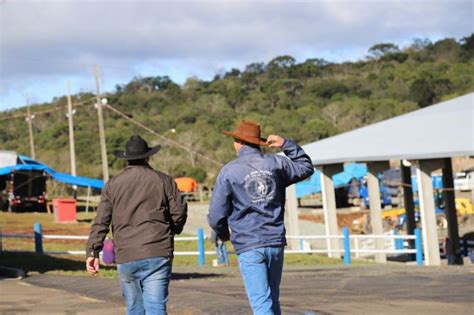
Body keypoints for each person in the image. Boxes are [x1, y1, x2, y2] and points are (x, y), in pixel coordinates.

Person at [207, 120, 314, 314]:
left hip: (248, 243)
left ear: (238, 142)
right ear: (258, 142)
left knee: (261, 304)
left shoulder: (229, 171)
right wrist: (285, 144)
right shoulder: (276, 163)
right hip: (274, 241)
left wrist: (223, 234)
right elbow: (305, 167)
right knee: (272, 300)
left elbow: (216, 214)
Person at [85, 135, 187, 315]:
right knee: (156, 308)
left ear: (126, 158)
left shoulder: (113, 185)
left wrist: (92, 251)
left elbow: (101, 220)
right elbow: (179, 212)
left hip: (127, 254)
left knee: (134, 309)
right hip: (157, 251)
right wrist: (172, 230)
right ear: (147, 156)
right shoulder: (164, 180)